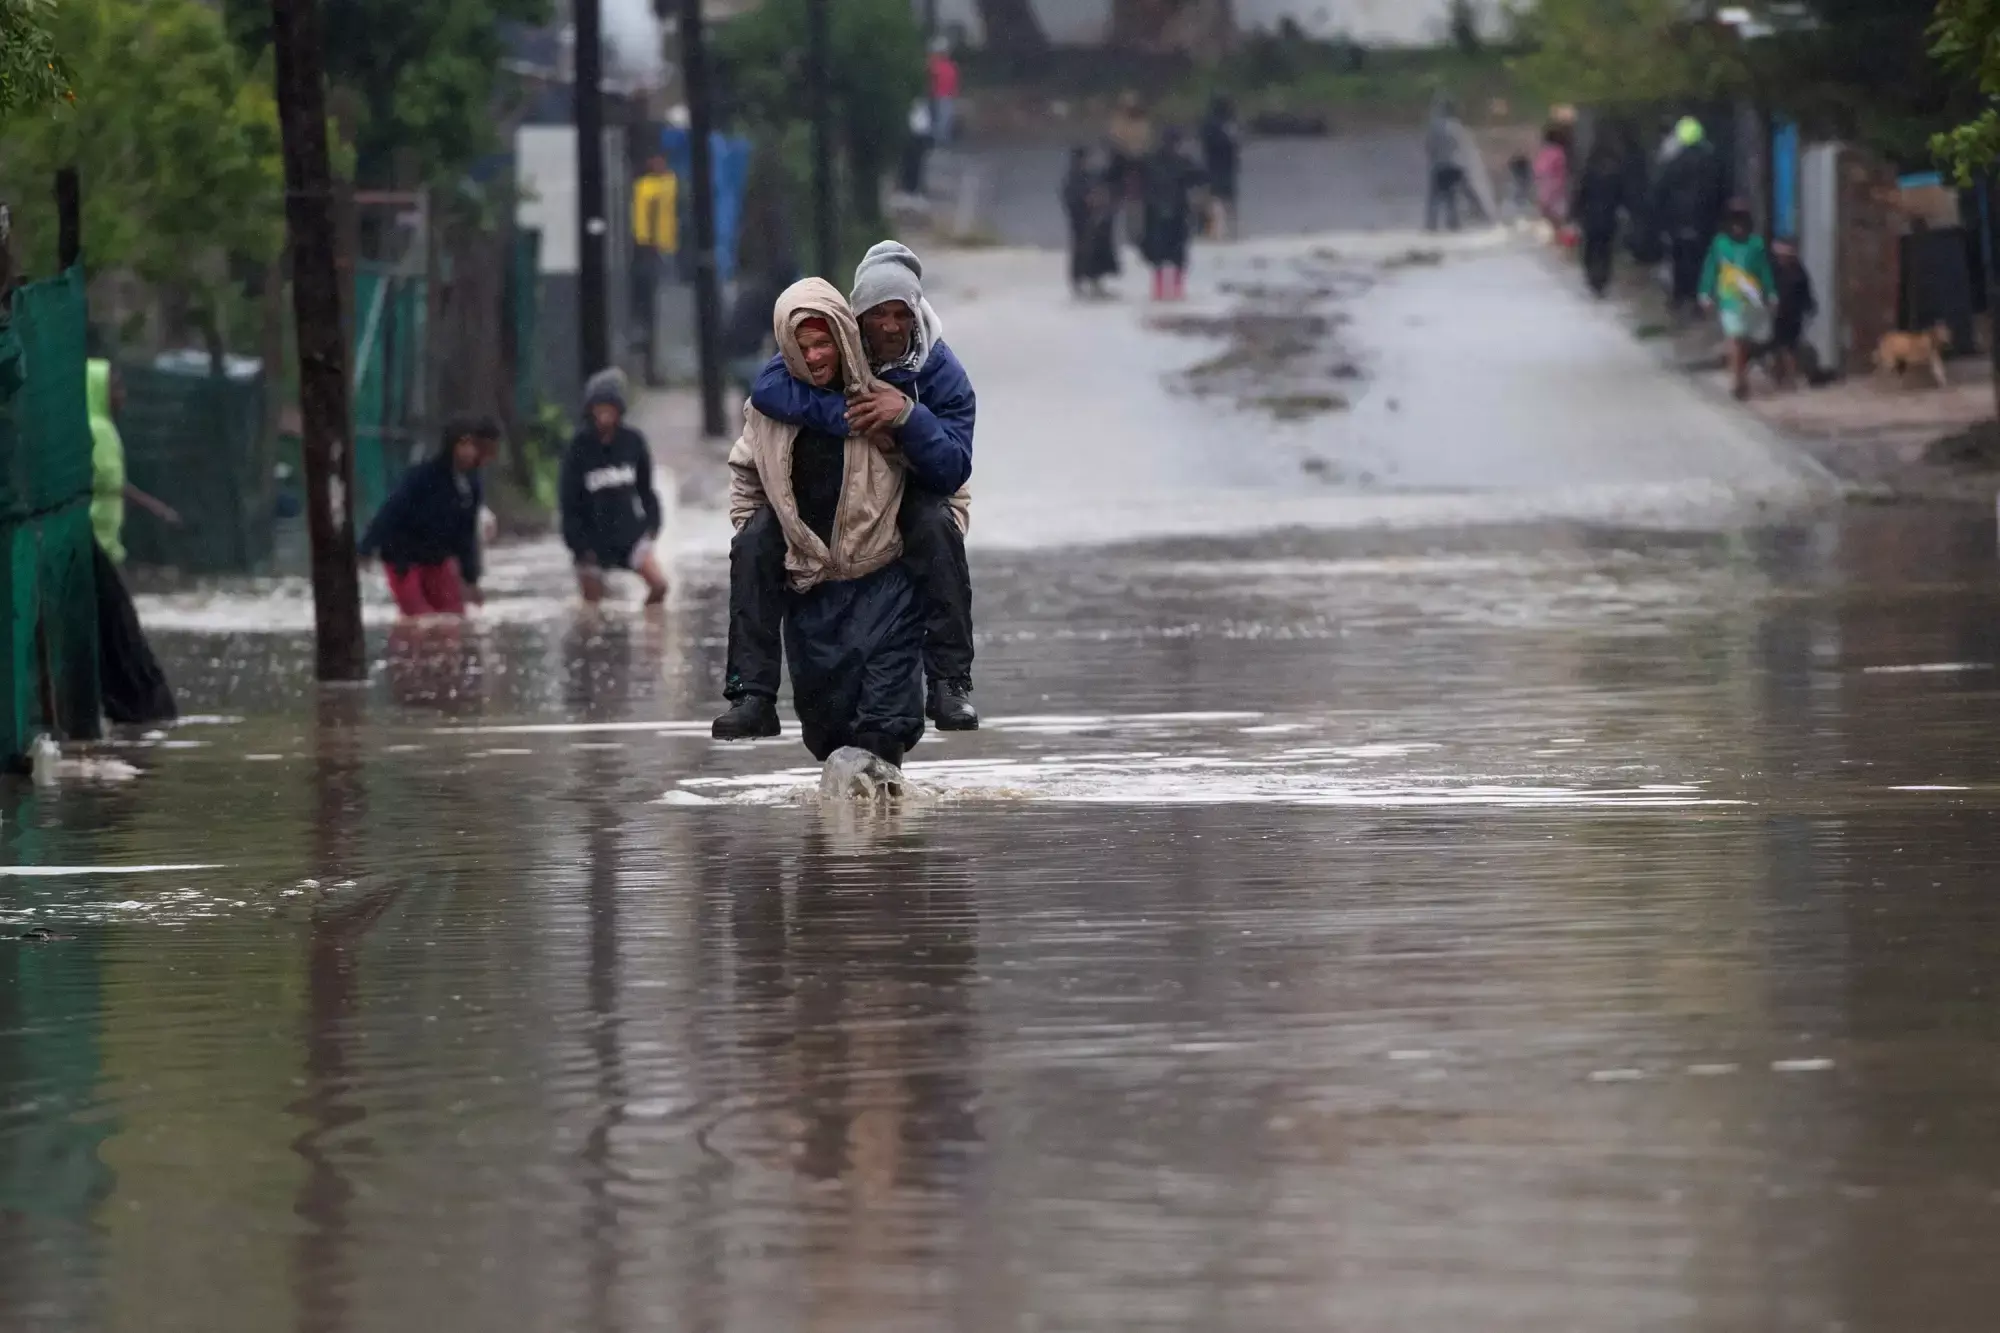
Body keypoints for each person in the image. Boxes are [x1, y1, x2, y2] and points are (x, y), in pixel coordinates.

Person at [718, 240, 977, 740]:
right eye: (876, 314)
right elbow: (769, 389)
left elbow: (952, 470)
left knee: (935, 528)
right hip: (819, 543)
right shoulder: (826, 352)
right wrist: (849, 418)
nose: (889, 326)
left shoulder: (943, 374)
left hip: (910, 506)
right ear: (854, 321)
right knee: (751, 545)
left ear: (915, 314)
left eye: (901, 314)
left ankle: (950, 683)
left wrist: (906, 416)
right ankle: (750, 692)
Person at [359, 414, 501, 617]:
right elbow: (390, 511)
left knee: (454, 617)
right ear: (454, 446)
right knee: (419, 620)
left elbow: (466, 534)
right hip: (403, 558)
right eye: (466, 445)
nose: (473, 453)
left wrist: (471, 580)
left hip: (437, 559)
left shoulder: (472, 485)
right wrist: (366, 548)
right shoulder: (423, 477)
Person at [560, 368, 670, 606]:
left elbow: (646, 489)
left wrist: (652, 526)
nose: (605, 414)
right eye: (599, 408)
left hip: (629, 534)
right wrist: (579, 546)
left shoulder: (633, 442)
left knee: (660, 586)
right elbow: (568, 502)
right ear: (590, 409)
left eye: (610, 408)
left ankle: (648, 625)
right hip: (590, 541)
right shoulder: (578, 447)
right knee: (592, 608)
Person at [88, 359, 179, 566]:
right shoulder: (96, 430)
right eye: (116, 387)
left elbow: (116, 482)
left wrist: (155, 507)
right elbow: (108, 481)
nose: (122, 395)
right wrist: (154, 507)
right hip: (95, 538)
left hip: (106, 538)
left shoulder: (105, 428)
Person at [1700, 200, 1776, 402]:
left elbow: (1764, 271)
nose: (1737, 226)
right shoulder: (1719, 244)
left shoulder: (1756, 244)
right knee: (1734, 338)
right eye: (1733, 221)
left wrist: (1771, 293)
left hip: (1752, 301)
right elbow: (1710, 269)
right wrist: (1705, 293)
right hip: (1729, 301)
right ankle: (1737, 380)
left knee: (1748, 342)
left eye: (1741, 221)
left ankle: (1740, 373)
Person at [1654, 116, 1726, 317]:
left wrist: (1662, 218)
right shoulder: (1712, 162)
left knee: (1679, 257)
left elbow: (1661, 190)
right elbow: (1720, 190)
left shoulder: (1673, 163)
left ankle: (1679, 296)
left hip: (1677, 219)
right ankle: (1698, 299)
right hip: (1704, 219)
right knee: (1701, 259)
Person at [630, 153, 679, 375]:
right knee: (653, 304)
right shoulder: (648, 186)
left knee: (660, 304)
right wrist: (646, 242)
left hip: (664, 247)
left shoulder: (664, 183)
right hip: (654, 249)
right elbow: (642, 220)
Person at [1140, 129, 1202, 302]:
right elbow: (1201, 177)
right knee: (1177, 252)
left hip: (1156, 212)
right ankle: (1176, 289)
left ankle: (1159, 289)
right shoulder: (1182, 162)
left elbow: (1142, 185)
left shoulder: (1150, 161)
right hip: (1177, 211)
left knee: (1159, 252)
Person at [1062, 147, 1119, 297]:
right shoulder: (1074, 177)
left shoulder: (1090, 176)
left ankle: (1095, 282)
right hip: (1081, 221)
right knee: (1081, 251)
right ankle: (1079, 284)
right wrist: (1086, 203)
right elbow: (1072, 199)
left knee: (1095, 251)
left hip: (1093, 220)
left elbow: (1104, 187)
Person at [1572, 141, 1625, 297]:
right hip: (1609, 218)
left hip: (1591, 217)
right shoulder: (1615, 174)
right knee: (1605, 249)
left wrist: (1575, 213)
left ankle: (1592, 275)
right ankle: (1602, 277)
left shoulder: (1588, 173)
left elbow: (1580, 195)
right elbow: (1621, 196)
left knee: (1591, 247)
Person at [1767, 237, 1818, 389]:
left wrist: (1809, 306)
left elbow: (1805, 291)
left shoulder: (1798, 270)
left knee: (1790, 346)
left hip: (1793, 313)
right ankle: (1778, 376)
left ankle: (1790, 377)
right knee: (1777, 345)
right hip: (1776, 312)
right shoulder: (1772, 269)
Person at [1107, 91, 1155, 245]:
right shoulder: (1118, 121)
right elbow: (1115, 140)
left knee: (1137, 202)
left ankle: (1136, 235)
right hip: (1122, 163)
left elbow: (1146, 143)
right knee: (1115, 200)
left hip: (1139, 165)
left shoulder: (1142, 123)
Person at [1199, 95, 1242, 240]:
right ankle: (1225, 232)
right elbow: (1232, 143)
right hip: (1222, 165)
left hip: (1216, 164)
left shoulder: (1210, 123)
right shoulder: (1225, 124)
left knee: (1217, 197)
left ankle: (1220, 232)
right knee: (1222, 198)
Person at [1425, 94, 1469, 233]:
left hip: (1439, 165)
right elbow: (1463, 147)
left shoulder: (1434, 126)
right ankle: (1454, 224)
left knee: (1434, 198)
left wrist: (1432, 158)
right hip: (1456, 165)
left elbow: (1429, 146)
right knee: (1452, 197)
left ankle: (1432, 226)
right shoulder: (1458, 127)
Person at [1533, 125, 1571, 233]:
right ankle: (1559, 238)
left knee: (1550, 218)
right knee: (1557, 219)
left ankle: (1556, 238)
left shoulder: (1544, 153)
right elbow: (1561, 173)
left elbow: (1539, 171)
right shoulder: (1559, 153)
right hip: (1556, 190)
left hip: (1545, 190)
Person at [927, 38, 961, 146]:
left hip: (948, 95)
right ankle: (939, 139)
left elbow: (954, 79)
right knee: (941, 118)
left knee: (946, 117)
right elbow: (931, 79)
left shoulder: (949, 65)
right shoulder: (935, 64)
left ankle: (943, 138)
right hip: (939, 95)